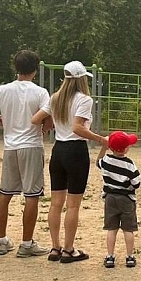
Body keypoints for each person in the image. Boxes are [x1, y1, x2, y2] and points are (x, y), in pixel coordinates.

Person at [32, 60, 108, 263]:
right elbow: (78, 128)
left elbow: (36, 119)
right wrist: (101, 139)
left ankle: (55, 247)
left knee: (56, 203)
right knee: (72, 205)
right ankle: (68, 249)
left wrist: (50, 123)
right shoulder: (84, 99)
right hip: (75, 150)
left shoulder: (55, 98)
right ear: (82, 79)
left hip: (58, 149)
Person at [0, 50, 50, 258]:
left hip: (10, 146)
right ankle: (26, 243)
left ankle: (1, 240)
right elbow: (45, 119)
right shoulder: (40, 92)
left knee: (5, 193)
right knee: (32, 195)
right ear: (35, 70)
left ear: (15, 68)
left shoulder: (2, 90)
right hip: (31, 144)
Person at [96, 131, 141, 268]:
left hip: (110, 198)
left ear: (111, 147)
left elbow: (98, 162)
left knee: (112, 229)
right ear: (126, 148)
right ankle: (129, 257)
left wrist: (104, 146)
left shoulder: (106, 161)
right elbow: (136, 183)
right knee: (128, 229)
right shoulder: (129, 164)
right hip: (126, 199)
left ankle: (110, 257)